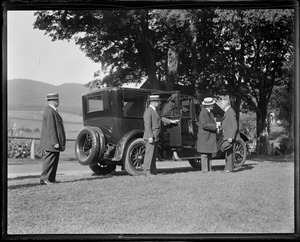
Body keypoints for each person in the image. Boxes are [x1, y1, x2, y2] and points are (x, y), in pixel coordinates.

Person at [143, 95, 179, 176]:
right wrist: (150, 136)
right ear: (154, 102)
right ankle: (147, 171)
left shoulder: (154, 111)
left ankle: (153, 170)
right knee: (149, 154)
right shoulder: (148, 111)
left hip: (156, 136)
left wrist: (171, 121)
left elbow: (161, 119)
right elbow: (147, 125)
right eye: (158, 101)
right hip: (151, 136)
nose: (159, 103)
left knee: (153, 155)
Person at [40, 93, 66, 185]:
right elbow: (51, 128)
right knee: (50, 160)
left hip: (52, 142)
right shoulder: (50, 111)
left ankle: (51, 178)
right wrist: (55, 142)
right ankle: (45, 179)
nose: (58, 102)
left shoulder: (51, 110)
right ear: (53, 101)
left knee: (54, 160)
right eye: (57, 100)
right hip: (51, 142)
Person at [196, 97, 218, 173]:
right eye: (212, 104)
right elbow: (204, 125)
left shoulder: (209, 112)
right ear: (208, 105)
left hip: (208, 136)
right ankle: (205, 170)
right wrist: (215, 126)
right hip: (205, 136)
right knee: (204, 154)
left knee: (209, 154)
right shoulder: (203, 113)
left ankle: (209, 169)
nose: (213, 105)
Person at [219, 98, 238, 173]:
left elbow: (234, 125)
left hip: (229, 136)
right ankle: (227, 168)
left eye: (222, 103)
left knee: (230, 153)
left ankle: (229, 169)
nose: (221, 105)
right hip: (226, 135)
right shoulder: (227, 111)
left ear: (226, 104)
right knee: (227, 153)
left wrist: (231, 137)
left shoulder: (230, 111)